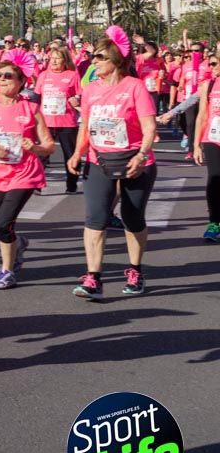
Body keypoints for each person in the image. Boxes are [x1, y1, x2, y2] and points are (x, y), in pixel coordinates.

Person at [67, 27, 157, 300]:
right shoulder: (91, 89)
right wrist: (77, 153)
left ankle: (135, 269)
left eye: (100, 57)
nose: (94, 61)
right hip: (99, 160)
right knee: (95, 218)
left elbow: (149, 127)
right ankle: (93, 277)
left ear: (116, 60)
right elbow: (87, 126)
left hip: (134, 160)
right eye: (93, 57)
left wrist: (141, 155)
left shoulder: (135, 87)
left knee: (132, 218)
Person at [0, 59, 55, 289]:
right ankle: (18, 243)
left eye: (8, 76)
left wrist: (34, 148)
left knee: (3, 223)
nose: (2, 80)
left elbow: (49, 146)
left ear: (21, 82)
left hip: (24, 173)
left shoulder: (31, 109)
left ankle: (6, 271)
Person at [34, 46, 83, 193]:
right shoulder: (43, 76)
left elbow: (79, 95)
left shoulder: (72, 75)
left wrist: (77, 100)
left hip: (66, 121)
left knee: (70, 154)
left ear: (65, 60)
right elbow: (37, 97)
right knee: (42, 153)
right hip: (46, 121)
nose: (54, 61)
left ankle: (72, 185)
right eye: (52, 58)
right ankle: (38, 183)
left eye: (58, 58)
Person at [193, 50, 220, 242]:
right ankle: (214, 222)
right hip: (212, 138)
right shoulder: (208, 85)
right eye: (210, 64)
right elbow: (201, 115)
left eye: (216, 63)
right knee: (215, 179)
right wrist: (196, 145)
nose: (213, 67)